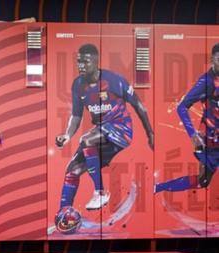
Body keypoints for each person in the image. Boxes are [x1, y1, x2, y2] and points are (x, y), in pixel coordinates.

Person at [55, 43, 155, 213]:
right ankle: (63, 214)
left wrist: (150, 133)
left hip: (121, 128)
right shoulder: (78, 85)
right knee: (72, 170)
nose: (81, 65)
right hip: (100, 135)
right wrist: (66, 135)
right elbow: (76, 115)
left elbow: (139, 105)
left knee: (87, 139)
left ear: (96, 61)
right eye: (79, 61)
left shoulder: (114, 80)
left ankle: (100, 192)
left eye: (85, 62)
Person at [155, 43, 218, 194]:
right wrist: (193, 134)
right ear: (212, 59)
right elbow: (182, 107)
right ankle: (158, 187)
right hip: (211, 139)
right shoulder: (207, 82)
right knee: (203, 181)